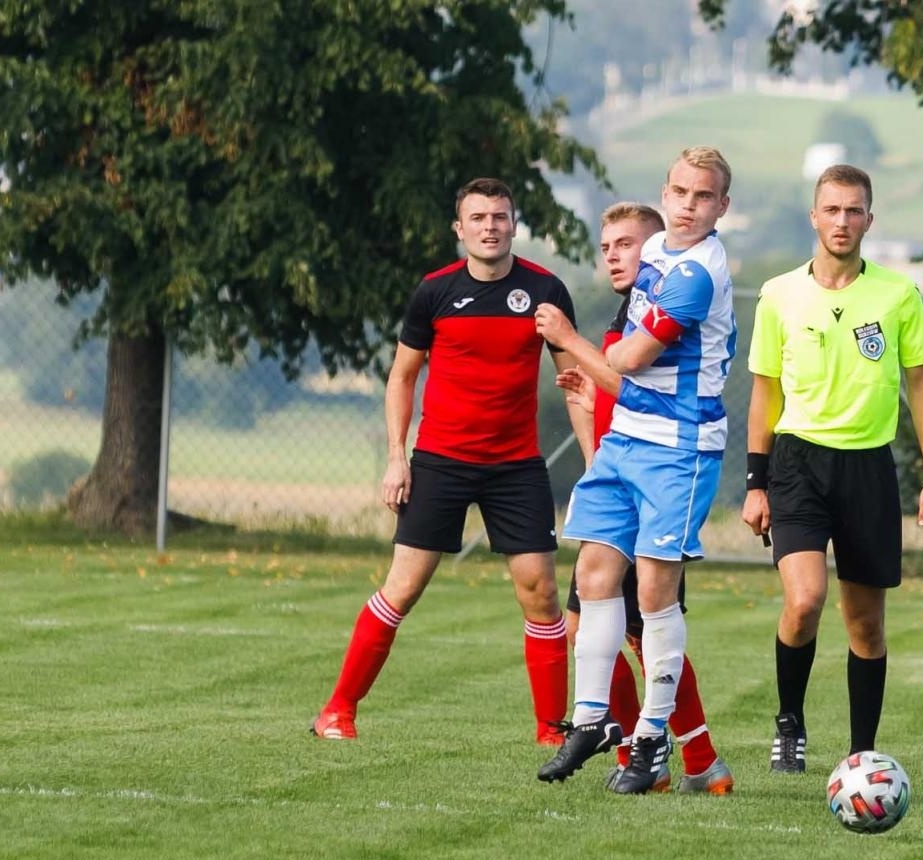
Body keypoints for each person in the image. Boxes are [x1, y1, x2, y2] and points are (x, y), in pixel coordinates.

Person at [310, 177, 592, 743]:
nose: (491, 226)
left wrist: (597, 462)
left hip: (517, 467)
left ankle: (549, 729)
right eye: (479, 218)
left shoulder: (545, 290)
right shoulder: (434, 292)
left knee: (539, 590)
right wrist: (397, 457)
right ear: (459, 229)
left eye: (500, 216)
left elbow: (576, 380)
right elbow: (403, 376)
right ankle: (337, 710)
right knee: (403, 587)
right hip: (440, 460)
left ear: (514, 224)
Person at [532, 146, 738, 794]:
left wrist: (575, 340)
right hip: (626, 437)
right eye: (679, 191)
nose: (688, 204)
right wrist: (615, 357)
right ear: (665, 191)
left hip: (679, 446)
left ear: (721, 208)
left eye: (703, 197)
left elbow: (626, 358)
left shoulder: (698, 273)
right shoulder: (654, 255)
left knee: (652, 594)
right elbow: (625, 359)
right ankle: (592, 720)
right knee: (593, 572)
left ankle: (651, 737)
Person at [741, 164, 923, 773]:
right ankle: (789, 723)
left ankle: (861, 755)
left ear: (869, 220)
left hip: (868, 469)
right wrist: (756, 482)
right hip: (797, 464)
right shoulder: (779, 294)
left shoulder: (897, 294)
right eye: (831, 209)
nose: (842, 221)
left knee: (865, 624)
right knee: (804, 602)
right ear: (814, 216)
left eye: (853, 210)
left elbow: (921, 384)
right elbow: (764, 393)